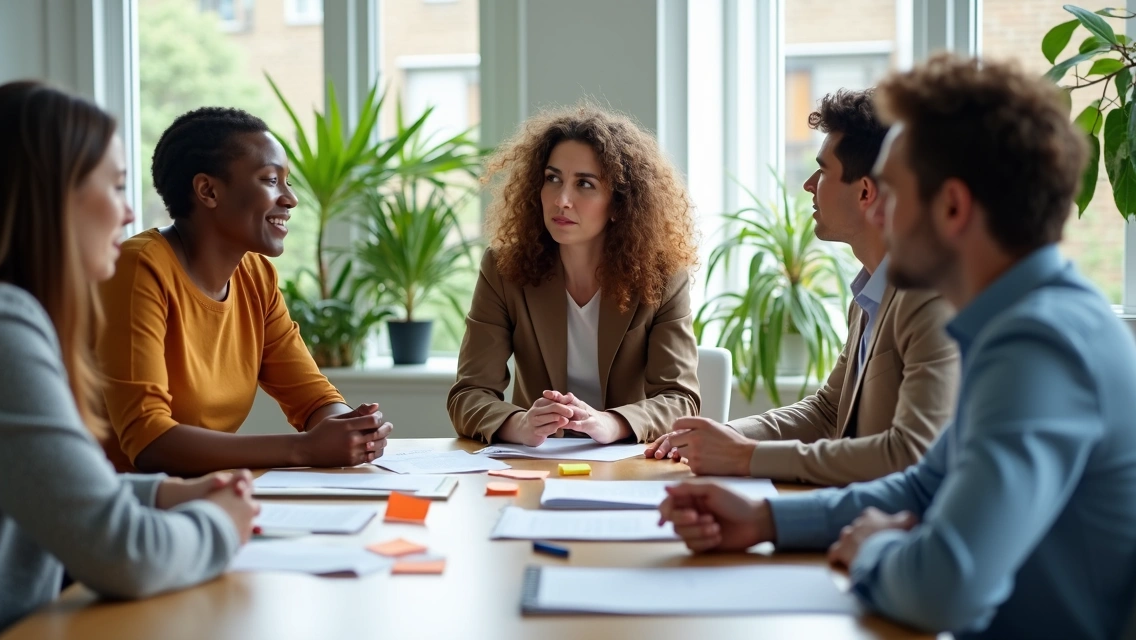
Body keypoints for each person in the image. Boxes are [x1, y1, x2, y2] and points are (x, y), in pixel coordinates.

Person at [658, 54, 1136, 639]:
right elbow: (921, 484)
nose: (876, 210)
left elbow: (946, 587)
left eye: (890, 191)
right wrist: (764, 519)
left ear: (953, 207)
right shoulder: (1017, 322)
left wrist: (873, 551)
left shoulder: (1042, 343)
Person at [0, 82, 257, 640]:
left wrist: (163, 493)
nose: (128, 213)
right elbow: (125, 554)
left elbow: (44, 482)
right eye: (118, 186)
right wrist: (222, 523)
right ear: (51, 195)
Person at [646, 89, 960, 486]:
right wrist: (724, 437)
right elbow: (829, 411)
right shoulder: (870, 295)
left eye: (823, 171)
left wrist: (748, 457)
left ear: (865, 192)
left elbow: (910, 453)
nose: (809, 185)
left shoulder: (929, 297)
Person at [96, 107, 392, 476]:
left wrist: (351, 430)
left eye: (288, 181)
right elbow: (149, 442)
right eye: (271, 180)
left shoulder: (255, 276)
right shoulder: (138, 269)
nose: (290, 198)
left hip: (210, 495)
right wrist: (304, 449)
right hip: (126, 507)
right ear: (208, 191)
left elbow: (313, 399)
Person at [448, 105, 701, 445]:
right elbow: (468, 394)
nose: (562, 200)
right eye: (553, 179)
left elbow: (680, 400)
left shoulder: (662, 277)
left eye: (585, 184)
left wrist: (610, 423)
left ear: (619, 203)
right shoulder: (504, 269)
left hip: (626, 466)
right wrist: (519, 424)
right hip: (535, 465)